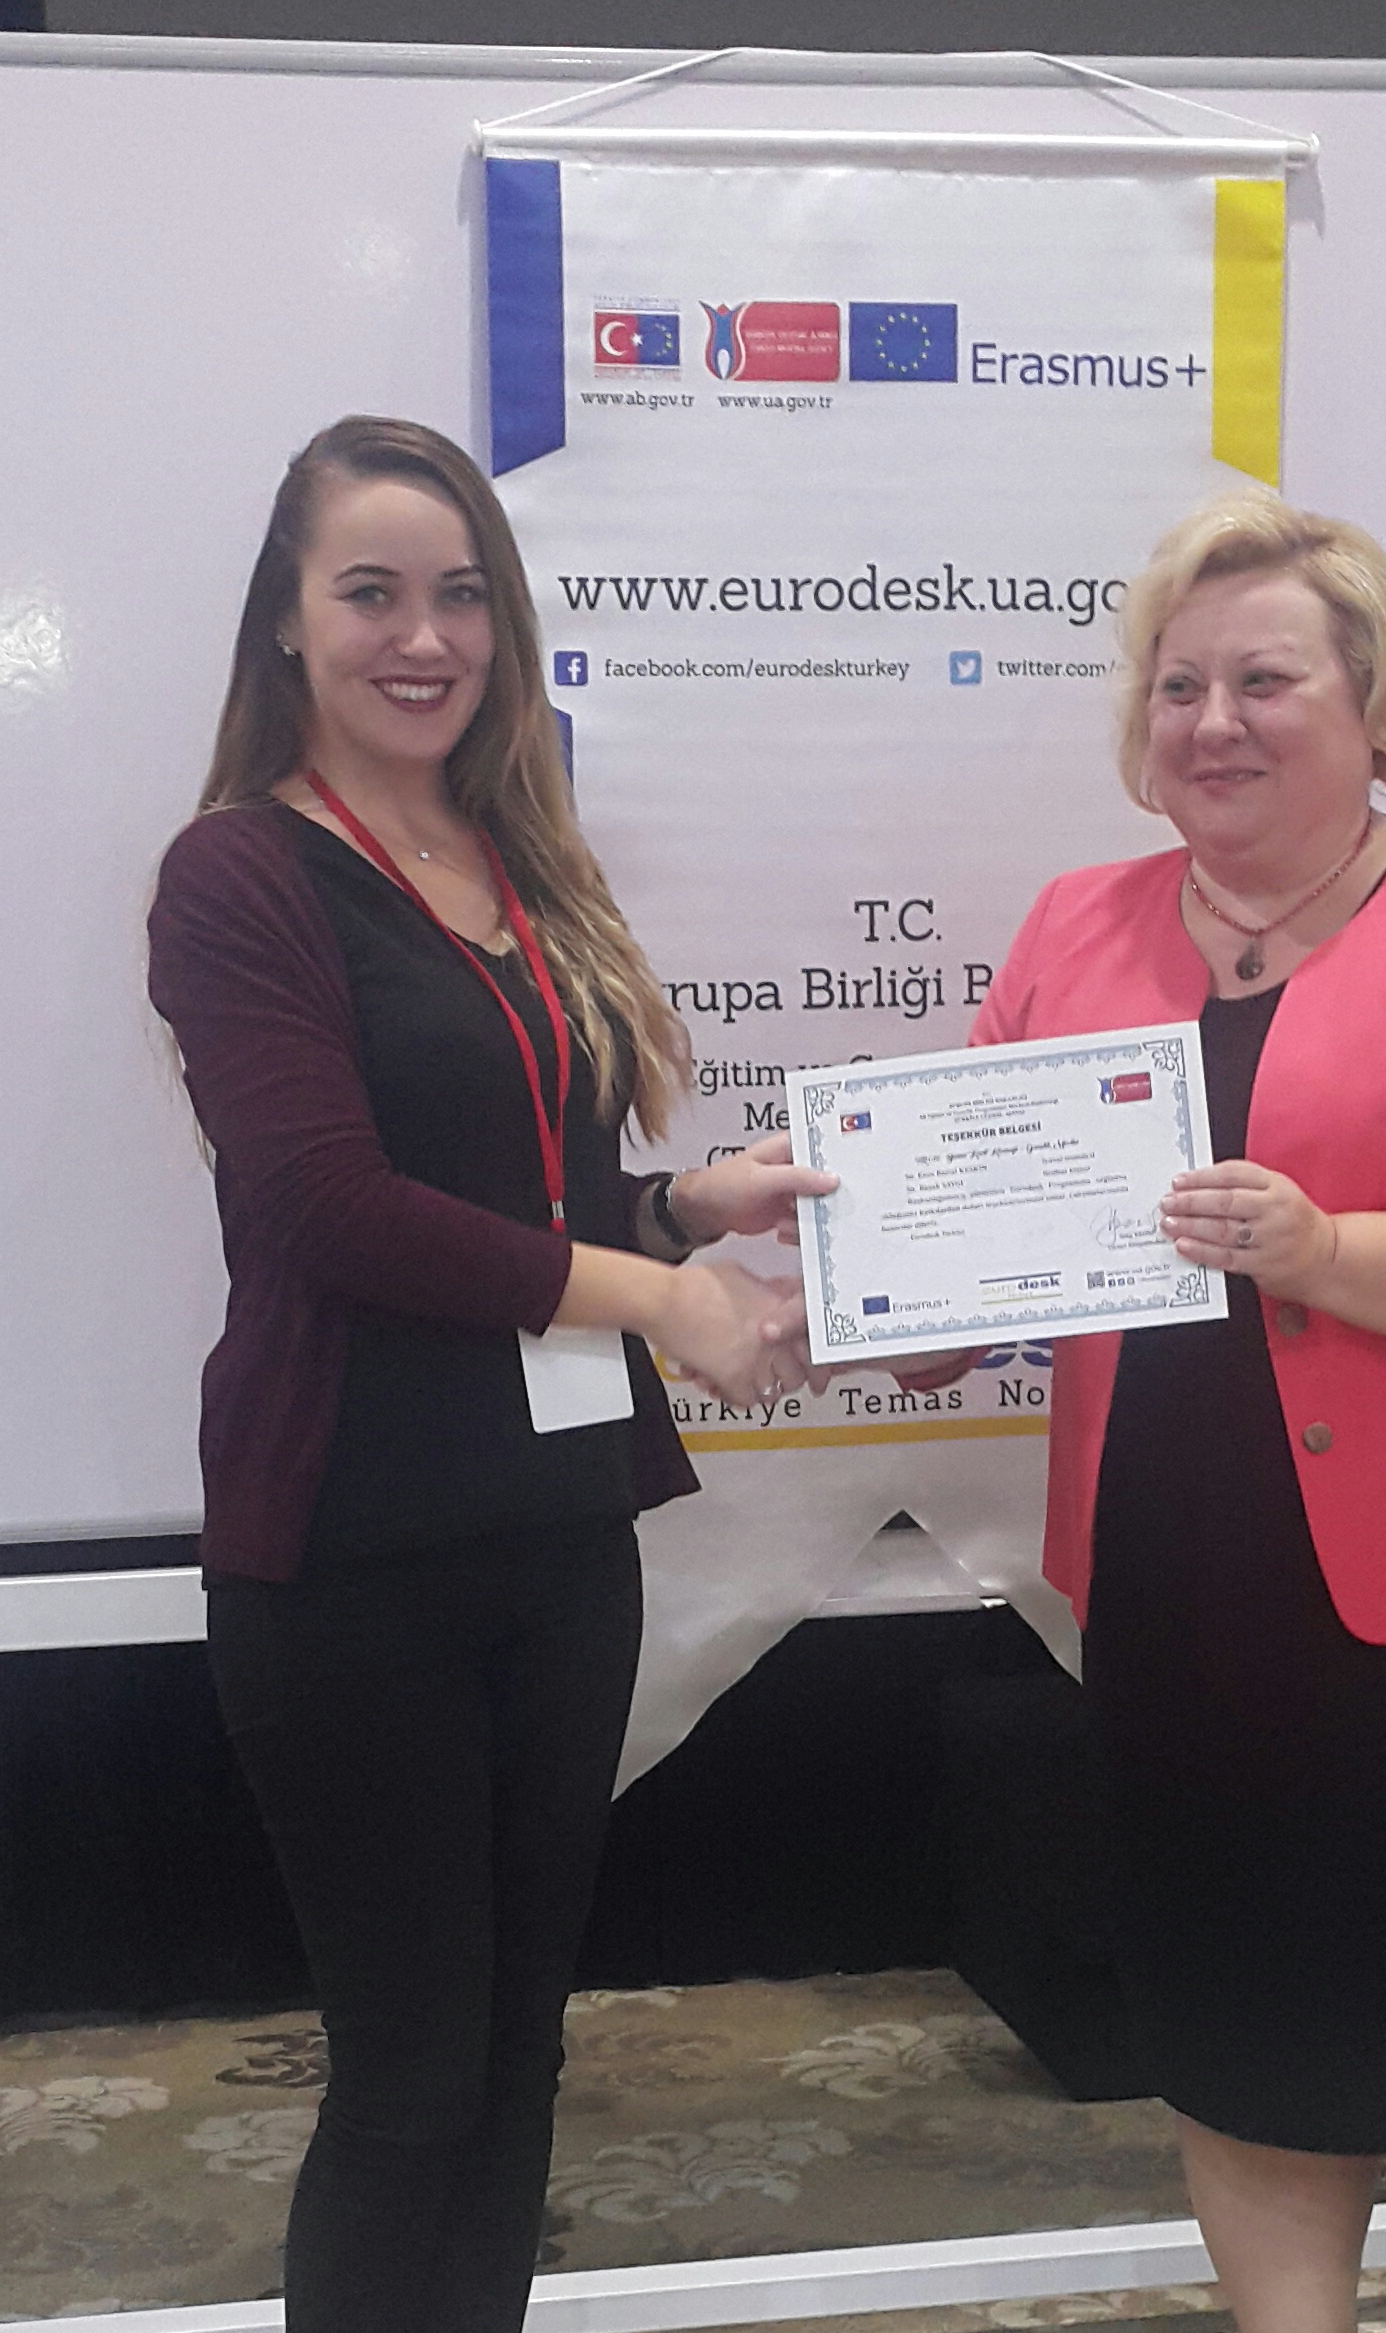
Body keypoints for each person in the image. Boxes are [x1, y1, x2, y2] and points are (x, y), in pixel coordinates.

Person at [921, 492, 1386, 2333]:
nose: (1212, 722)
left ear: (1374, 702)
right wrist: (873, 1292)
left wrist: (1336, 1251)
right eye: (1178, 685)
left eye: (1264, 680)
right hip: (1184, 1615)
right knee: (1242, 2041)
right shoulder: (1076, 925)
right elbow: (978, 1231)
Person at [147, 414, 831, 2333]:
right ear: (287, 621)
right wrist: (660, 1296)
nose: (424, 636)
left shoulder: (510, 857)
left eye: (462, 594)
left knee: (523, 2053)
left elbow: (513, 1191)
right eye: (371, 591)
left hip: (554, 1535)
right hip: (353, 1554)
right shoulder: (238, 874)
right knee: (410, 2078)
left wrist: (680, 1206)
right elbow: (333, 1210)